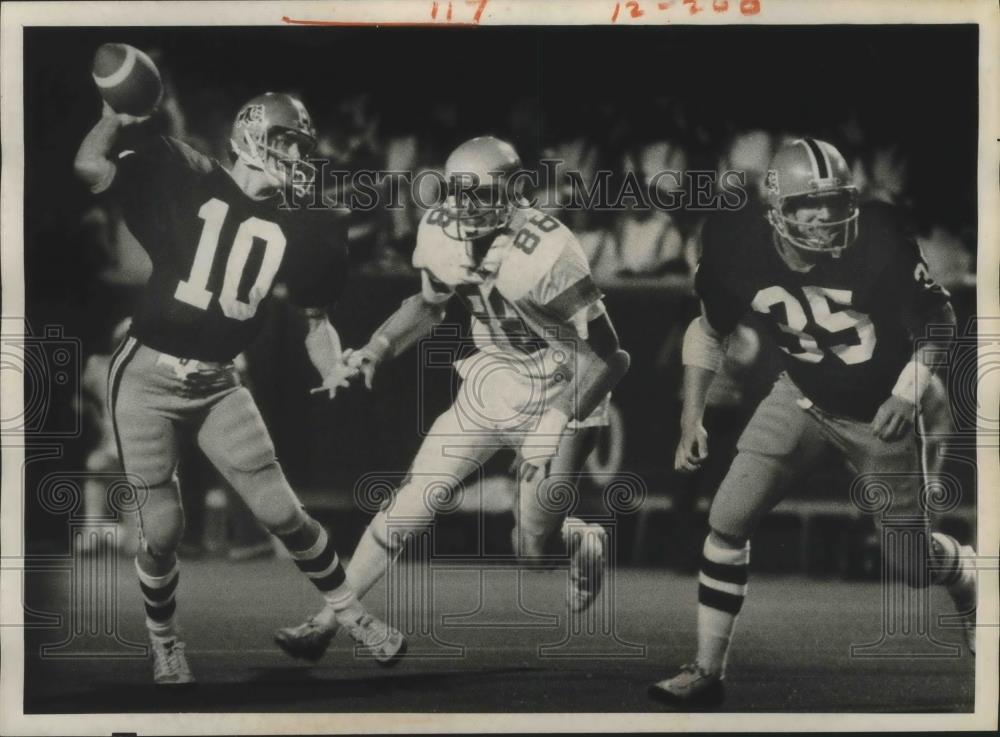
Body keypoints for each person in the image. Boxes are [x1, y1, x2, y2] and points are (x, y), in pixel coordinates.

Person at [73, 90, 404, 684]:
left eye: (299, 145)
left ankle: (351, 613)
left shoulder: (309, 224)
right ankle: (164, 639)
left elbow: (316, 323)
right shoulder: (184, 170)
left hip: (220, 381)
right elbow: (90, 169)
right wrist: (109, 122)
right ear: (248, 134)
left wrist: (332, 365)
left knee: (286, 514)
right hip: (147, 374)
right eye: (283, 141)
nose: (293, 155)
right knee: (163, 531)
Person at [648, 138, 977, 708]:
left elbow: (940, 319)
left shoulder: (878, 238)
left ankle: (970, 574)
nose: (827, 218)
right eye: (810, 205)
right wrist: (691, 413)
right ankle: (707, 669)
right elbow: (708, 329)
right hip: (800, 396)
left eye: (835, 201)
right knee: (727, 518)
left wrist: (907, 391)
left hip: (880, 411)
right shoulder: (736, 241)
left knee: (914, 568)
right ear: (777, 209)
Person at [275, 136, 631, 659]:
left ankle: (581, 539)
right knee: (411, 502)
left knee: (532, 548)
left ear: (516, 191)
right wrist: (378, 345)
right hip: (493, 382)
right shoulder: (440, 228)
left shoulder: (552, 249)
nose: (468, 206)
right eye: (459, 192)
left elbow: (610, 357)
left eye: (483, 193)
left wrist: (553, 425)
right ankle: (329, 620)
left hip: (567, 386)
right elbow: (429, 304)